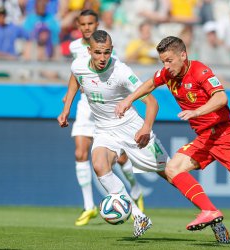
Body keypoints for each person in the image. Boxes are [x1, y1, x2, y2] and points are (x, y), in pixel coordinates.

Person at [115, 36, 230, 238]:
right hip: (205, 137)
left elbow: (221, 97)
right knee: (173, 169)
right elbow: (151, 83)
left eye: (169, 60)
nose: (166, 66)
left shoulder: (199, 71)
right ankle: (211, 213)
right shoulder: (168, 74)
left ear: (183, 55)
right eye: (163, 62)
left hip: (224, 134)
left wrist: (197, 112)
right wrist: (129, 99)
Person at [57, 29, 170, 238]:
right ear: (89, 51)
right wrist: (66, 108)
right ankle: (138, 216)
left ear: (112, 51)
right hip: (104, 129)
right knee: (99, 165)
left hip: (130, 127)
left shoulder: (121, 71)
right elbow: (75, 77)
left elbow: (151, 101)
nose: (102, 58)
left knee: (171, 173)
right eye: (98, 53)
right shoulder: (79, 65)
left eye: (107, 52)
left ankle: (208, 211)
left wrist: (146, 127)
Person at [65, 9, 144, 227]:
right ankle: (89, 206)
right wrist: (68, 100)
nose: (87, 27)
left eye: (91, 23)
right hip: (86, 105)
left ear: (97, 24)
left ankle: (135, 188)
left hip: (108, 111)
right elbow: (75, 73)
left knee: (119, 159)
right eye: (83, 24)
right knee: (80, 152)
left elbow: (118, 80)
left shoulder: (108, 54)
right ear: (78, 26)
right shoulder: (74, 48)